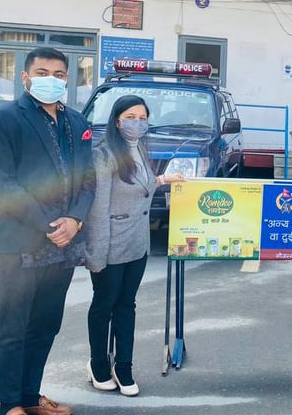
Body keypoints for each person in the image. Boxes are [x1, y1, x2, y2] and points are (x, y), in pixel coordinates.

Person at [0, 47, 96, 415]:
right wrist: (48, 224)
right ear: (26, 77)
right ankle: (9, 404)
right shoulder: (1, 118)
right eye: (42, 73)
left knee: (45, 325)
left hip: (63, 243)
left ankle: (30, 397)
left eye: (59, 74)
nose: (51, 80)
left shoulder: (76, 122)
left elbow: (88, 178)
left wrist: (75, 219)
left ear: (67, 79)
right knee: (14, 326)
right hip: (17, 241)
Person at [84, 95, 185, 396]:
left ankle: (124, 367)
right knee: (104, 305)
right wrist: (96, 254)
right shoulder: (103, 155)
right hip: (110, 244)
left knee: (127, 305)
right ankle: (98, 364)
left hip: (137, 244)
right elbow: (98, 208)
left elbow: (141, 186)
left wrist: (163, 179)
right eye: (131, 117)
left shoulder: (139, 148)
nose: (137, 123)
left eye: (143, 118)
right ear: (117, 121)